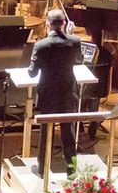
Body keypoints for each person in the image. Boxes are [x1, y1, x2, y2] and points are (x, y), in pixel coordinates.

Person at [28, 9, 84, 166]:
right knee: (68, 132)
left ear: (47, 24)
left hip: (47, 94)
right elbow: (80, 60)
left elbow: (32, 73)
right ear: (64, 24)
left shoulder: (40, 45)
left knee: (46, 132)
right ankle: (72, 169)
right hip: (67, 92)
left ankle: (42, 167)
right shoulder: (75, 41)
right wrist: (70, 34)